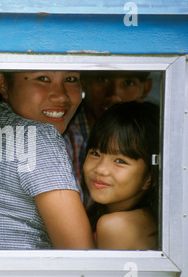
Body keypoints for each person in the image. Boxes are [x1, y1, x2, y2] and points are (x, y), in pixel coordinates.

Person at [0, 71, 94, 250]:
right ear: (2, 83)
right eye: (43, 78)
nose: (61, 95)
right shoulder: (39, 137)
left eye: (71, 79)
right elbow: (80, 256)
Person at [64, 71, 153, 205]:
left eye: (128, 83)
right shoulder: (63, 134)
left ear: (146, 88)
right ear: (83, 82)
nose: (114, 96)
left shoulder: (154, 134)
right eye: (103, 79)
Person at [83, 101, 159, 250]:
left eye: (120, 161)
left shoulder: (116, 226)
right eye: (95, 153)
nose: (101, 169)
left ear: (149, 177)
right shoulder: (148, 217)